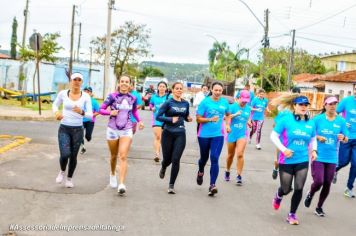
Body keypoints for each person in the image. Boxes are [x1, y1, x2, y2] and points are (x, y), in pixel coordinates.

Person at [270, 94, 317, 225]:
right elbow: (274, 136)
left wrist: (314, 150)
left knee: (299, 188)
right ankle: (279, 194)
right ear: (294, 106)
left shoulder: (310, 122)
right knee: (286, 189)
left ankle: (292, 214)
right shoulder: (286, 119)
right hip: (286, 160)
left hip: (302, 160)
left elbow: (313, 138)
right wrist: (283, 149)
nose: (303, 107)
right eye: (301, 104)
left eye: (306, 105)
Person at [99, 75, 144, 195]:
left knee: (123, 156)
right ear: (119, 83)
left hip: (127, 129)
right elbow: (100, 109)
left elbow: (134, 111)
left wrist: (139, 121)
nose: (124, 83)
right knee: (113, 156)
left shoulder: (133, 98)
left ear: (130, 85)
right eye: (122, 81)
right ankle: (113, 173)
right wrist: (110, 112)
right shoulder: (112, 96)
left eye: (127, 82)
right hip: (112, 129)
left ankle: (122, 184)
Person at [304, 96, 348, 216]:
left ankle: (319, 207)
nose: (333, 106)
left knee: (328, 182)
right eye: (330, 104)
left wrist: (343, 138)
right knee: (319, 181)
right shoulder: (317, 119)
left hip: (332, 157)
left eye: (335, 103)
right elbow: (309, 134)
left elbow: (346, 137)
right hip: (317, 155)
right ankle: (310, 193)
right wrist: (318, 137)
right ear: (325, 105)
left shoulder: (341, 121)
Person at [53, 72, 93, 188]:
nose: (76, 81)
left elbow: (90, 115)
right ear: (71, 81)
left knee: (73, 156)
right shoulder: (63, 94)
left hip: (78, 130)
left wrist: (82, 112)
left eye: (79, 80)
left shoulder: (86, 96)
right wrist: (56, 112)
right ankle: (62, 171)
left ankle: (69, 179)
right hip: (64, 128)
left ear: (81, 82)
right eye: (74, 79)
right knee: (65, 154)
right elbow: (55, 105)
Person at [156, 82, 192, 194]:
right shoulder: (168, 102)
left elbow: (185, 116)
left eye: (181, 89)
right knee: (167, 159)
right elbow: (158, 116)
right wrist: (170, 120)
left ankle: (171, 185)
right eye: (177, 88)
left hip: (180, 133)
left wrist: (188, 118)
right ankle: (163, 166)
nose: (179, 90)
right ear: (172, 90)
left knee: (176, 159)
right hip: (168, 133)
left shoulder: (186, 103)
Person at [196, 82, 231, 196]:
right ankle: (201, 171)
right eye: (216, 90)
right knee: (204, 158)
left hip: (218, 135)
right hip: (204, 135)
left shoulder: (224, 103)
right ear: (212, 89)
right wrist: (210, 119)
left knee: (214, 158)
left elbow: (228, 114)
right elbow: (198, 119)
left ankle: (212, 185)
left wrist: (227, 125)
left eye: (220, 90)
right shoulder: (205, 102)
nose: (218, 92)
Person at [271, 87, 301, 180]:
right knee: (279, 156)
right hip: (282, 134)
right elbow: (277, 122)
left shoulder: (300, 108)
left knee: (292, 157)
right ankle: (276, 167)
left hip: (293, 136)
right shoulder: (283, 108)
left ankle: (287, 177)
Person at [224, 90, 252, 185]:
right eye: (243, 99)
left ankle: (239, 175)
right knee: (230, 155)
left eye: (246, 100)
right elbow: (226, 117)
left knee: (240, 154)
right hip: (231, 133)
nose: (244, 101)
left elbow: (248, 117)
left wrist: (249, 122)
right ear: (239, 97)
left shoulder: (248, 108)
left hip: (242, 134)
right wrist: (235, 115)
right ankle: (227, 170)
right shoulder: (232, 107)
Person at [334, 83, 356, 198]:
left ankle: (349, 188)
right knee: (343, 161)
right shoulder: (346, 101)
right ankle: (335, 170)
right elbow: (335, 112)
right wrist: (342, 120)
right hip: (346, 136)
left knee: (355, 163)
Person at [149, 81, 169, 162]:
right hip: (156, 119)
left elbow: (172, 105)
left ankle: (165, 154)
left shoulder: (168, 97)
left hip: (166, 120)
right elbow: (150, 104)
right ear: (158, 87)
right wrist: (152, 108)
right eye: (160, 86)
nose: (162, 88)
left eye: (163, 86)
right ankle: (157, 154)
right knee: (158, 136)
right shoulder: (154, 97)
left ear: (166, 88)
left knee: (164, 138)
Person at [80, 86, 100, 154]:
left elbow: (98, 111)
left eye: (88, 91)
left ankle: (88, 137)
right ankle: (83, 147)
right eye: (85, 91)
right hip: (81, 120)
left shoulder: (94, 102)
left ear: (91, 93)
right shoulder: (80, 100)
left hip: (90, 121)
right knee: (80, 134)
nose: (86, 92)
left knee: (88, 136)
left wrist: (92, 115)